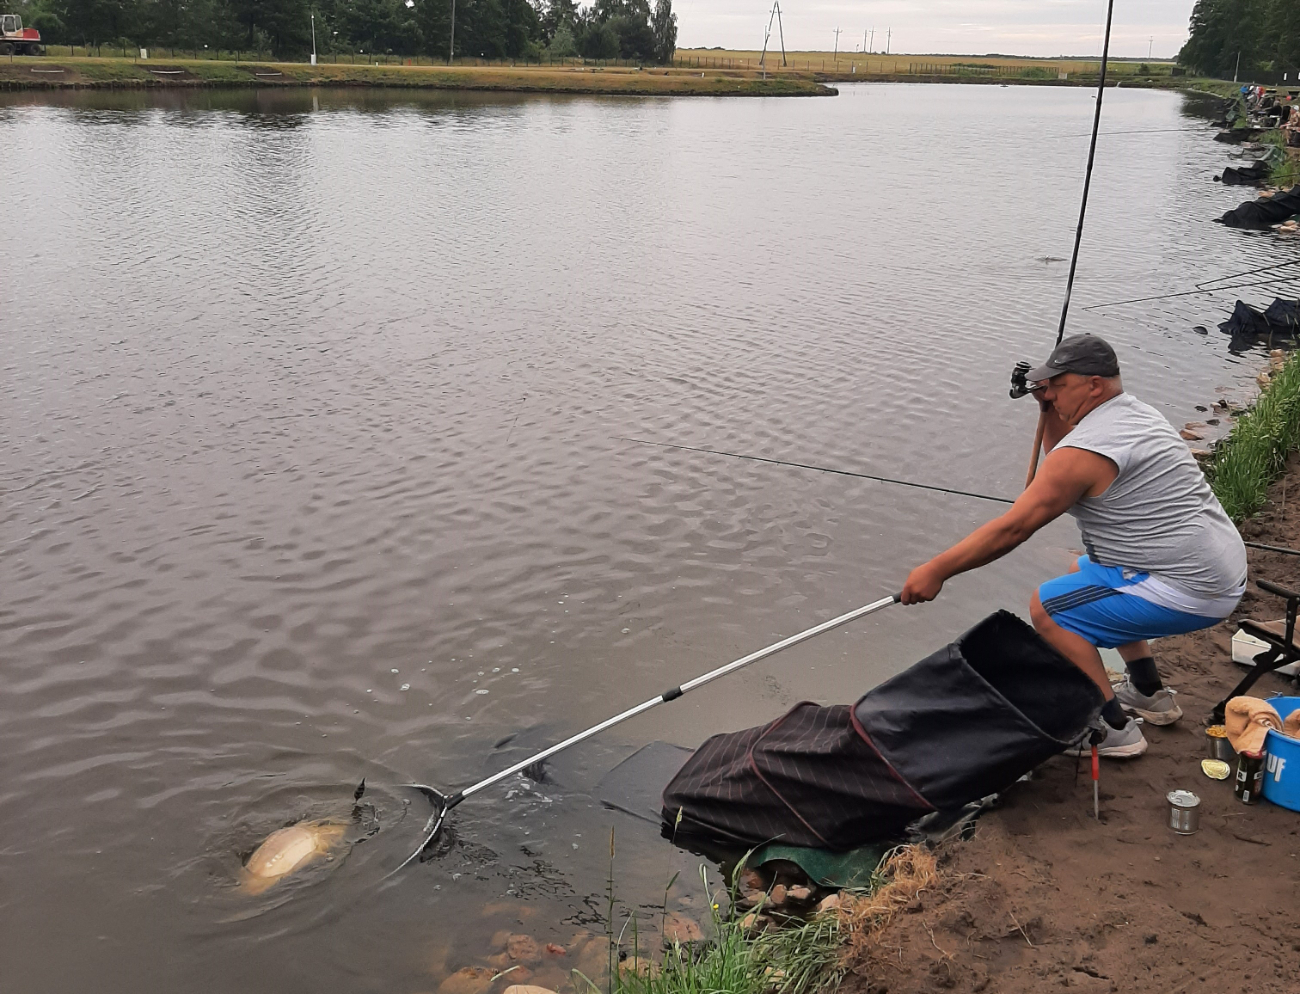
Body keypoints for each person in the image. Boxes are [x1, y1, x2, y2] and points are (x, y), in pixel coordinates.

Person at [900, 334, 1247, 757]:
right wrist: (1046, 406)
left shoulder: (1088, 450)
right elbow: (1062, 456)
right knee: (1080, 573)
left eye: (1058, 386)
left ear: (1094, 385)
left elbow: (1015, 528)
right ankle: (1149, 691)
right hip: (1217, 568)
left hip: (1191, 588)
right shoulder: (1134, 415)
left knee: (1048, 609)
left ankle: (1111, 730)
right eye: (1046, 386)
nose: (1052, 394)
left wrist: (937, 570)